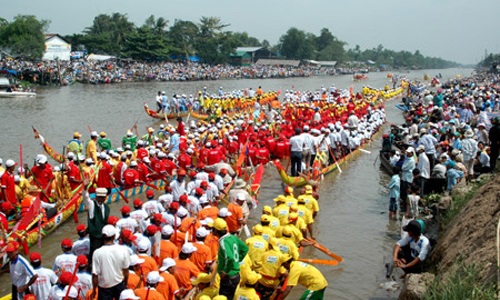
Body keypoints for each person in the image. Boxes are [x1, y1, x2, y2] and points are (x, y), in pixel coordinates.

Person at [91, 225, 131, 300]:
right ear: (114, 236)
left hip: (104, 288)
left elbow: (95, 275)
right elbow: (126, 270)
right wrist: (125, 282)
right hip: (119, 284)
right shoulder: (122, 250)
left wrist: (94, 289)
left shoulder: (97, 253)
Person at [213, 218, 248, 299]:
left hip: (228, 278)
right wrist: (238, 260)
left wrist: (225, 271)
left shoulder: (223, 242)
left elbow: (229, 258)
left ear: (215, 230)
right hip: (236, 276)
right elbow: (245, 248)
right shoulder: (233, 237)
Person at [82, 182, 110, 266]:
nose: (101, 199)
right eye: (99, 197)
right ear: (96, 197)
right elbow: (86, 198)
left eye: (103, 198)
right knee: (95, 255)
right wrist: (85, 187)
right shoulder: (92, 205)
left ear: (105, 198)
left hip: (104, 236)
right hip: (95, 237)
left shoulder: (106, 207)